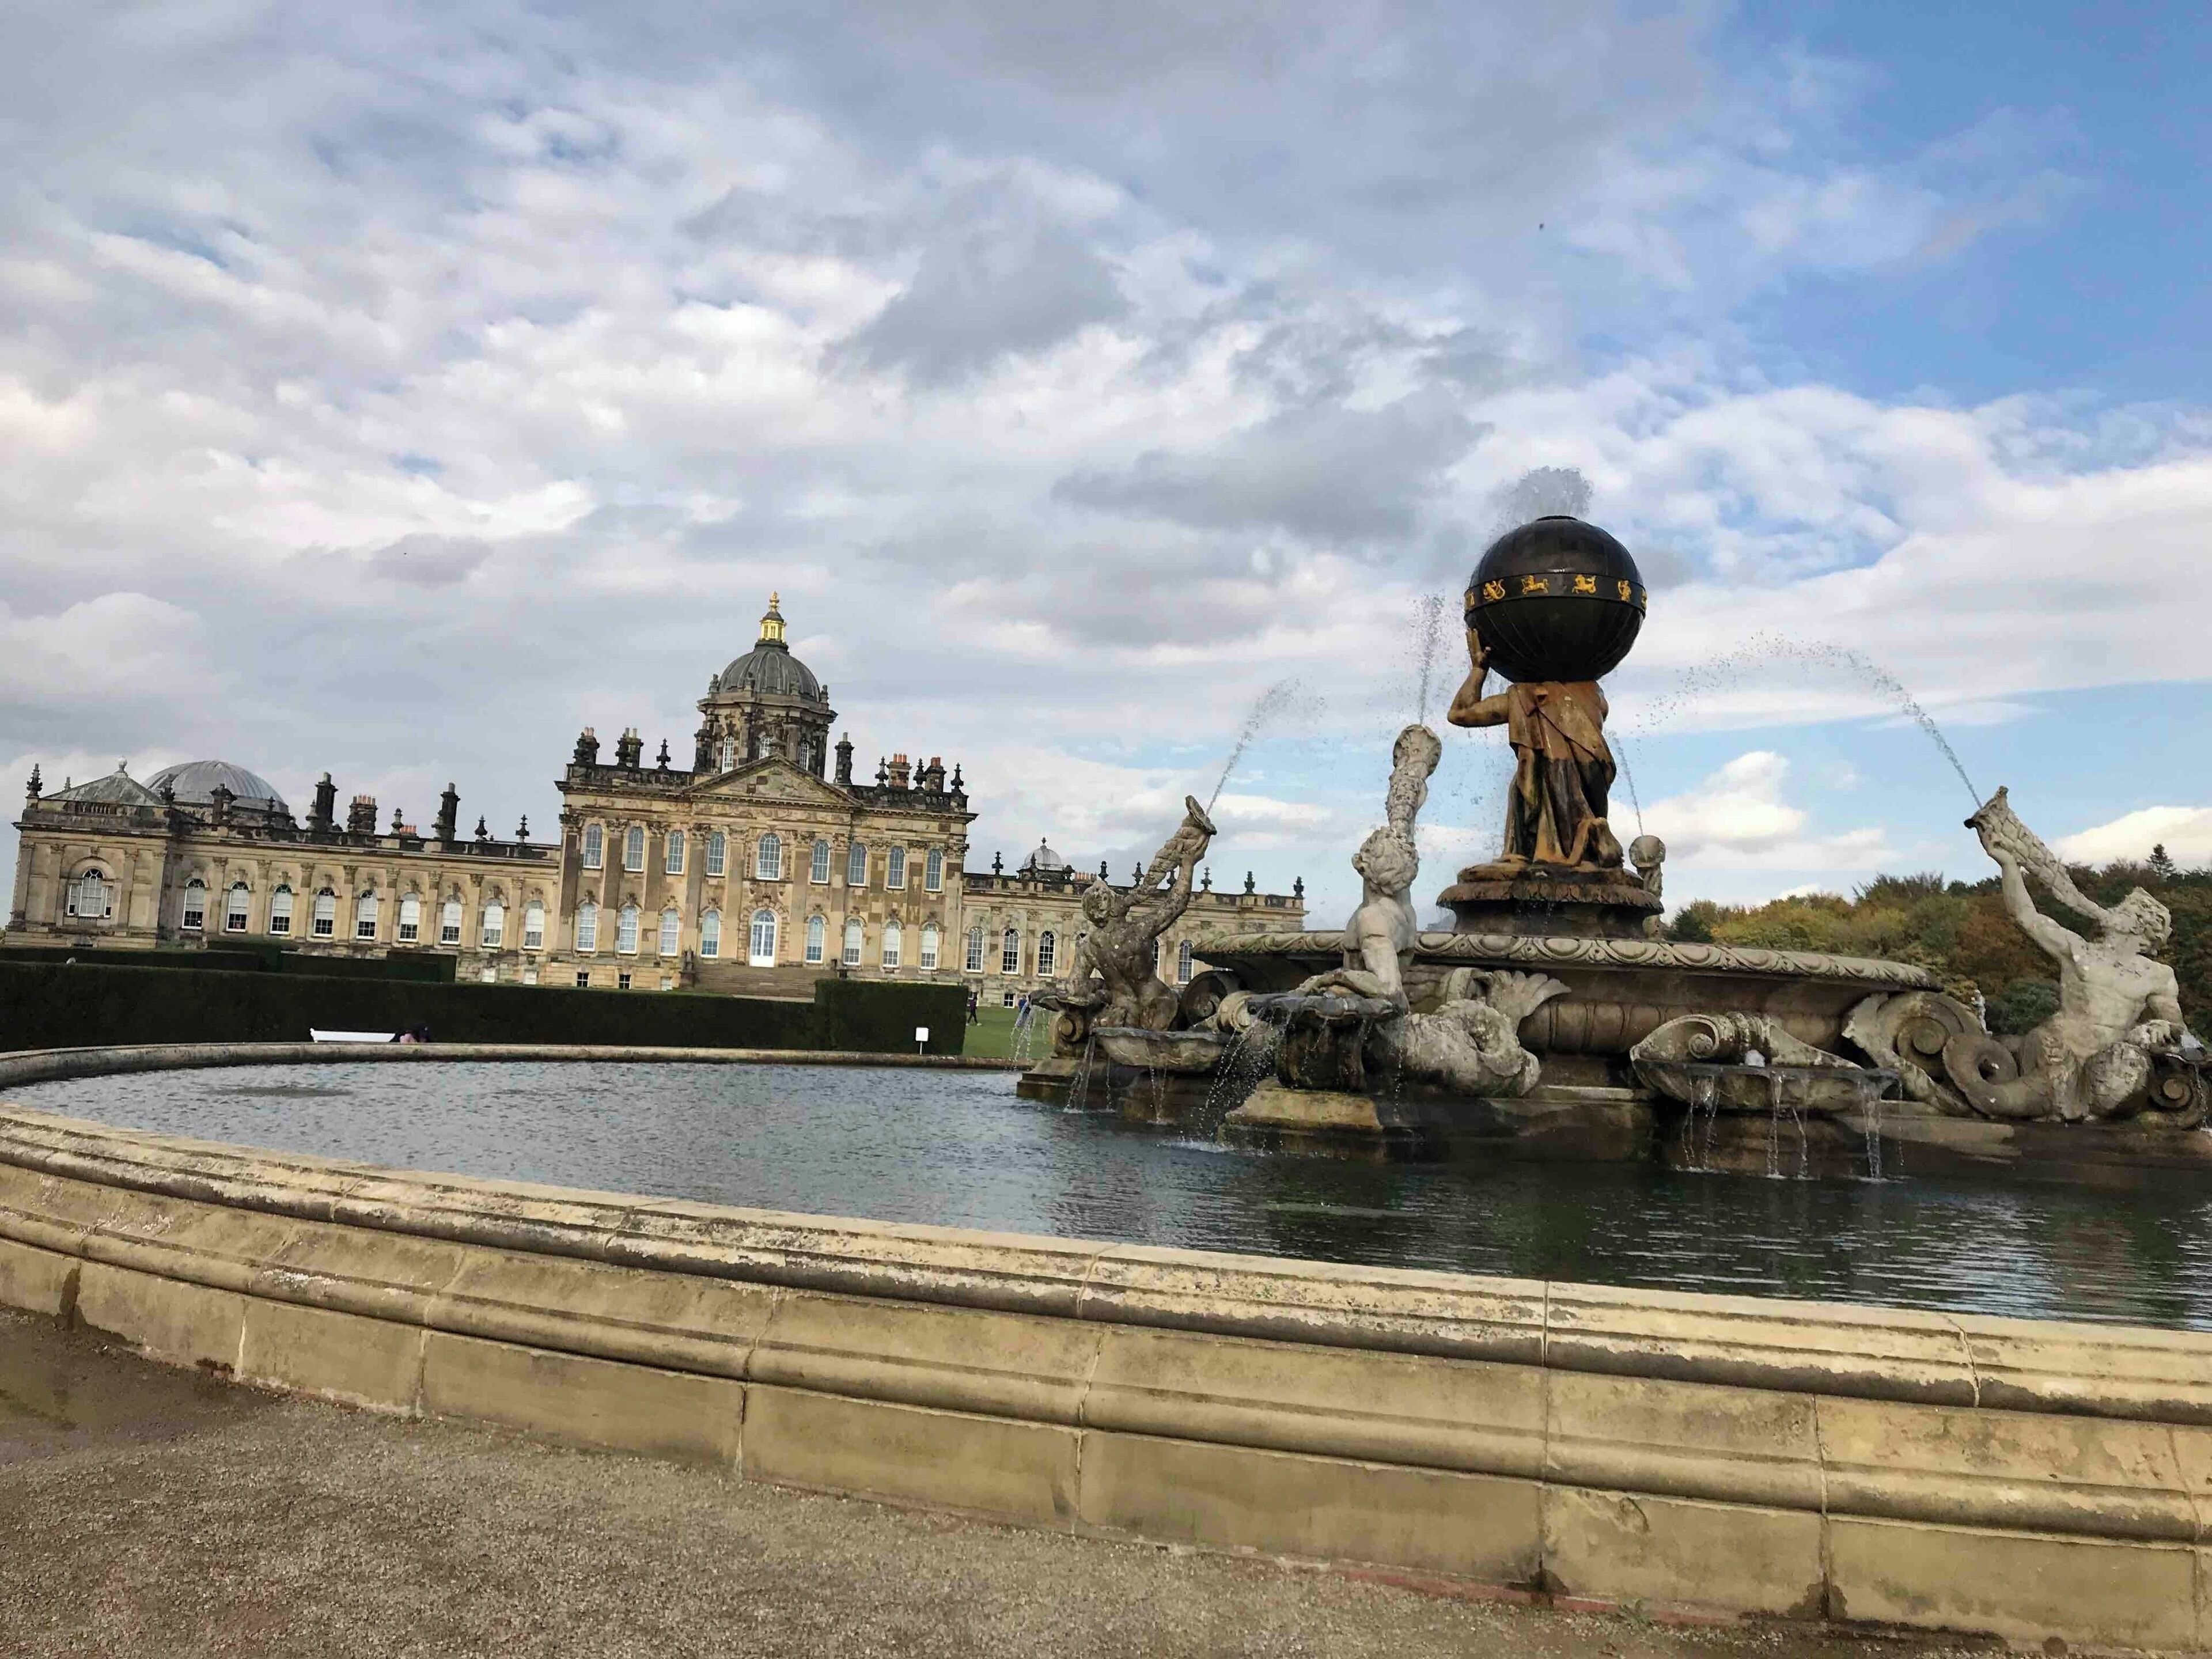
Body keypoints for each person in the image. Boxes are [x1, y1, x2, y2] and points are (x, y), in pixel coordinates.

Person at [1446, 623, 1620, 869]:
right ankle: (1581, 841)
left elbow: (1460, 713)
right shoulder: (1594, 697)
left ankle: (1560, 847)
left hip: (1542, 790)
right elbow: (1458, 715)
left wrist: (1478, 671)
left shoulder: (1527, 696)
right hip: (1585, 799)